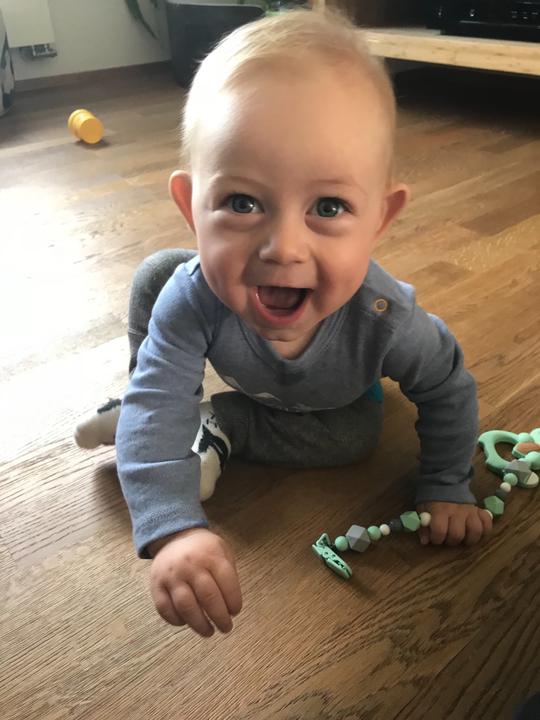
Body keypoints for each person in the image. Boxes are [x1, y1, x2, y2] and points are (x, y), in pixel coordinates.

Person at [75, 8, 492, 638]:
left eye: (329, 206)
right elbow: (161, 407)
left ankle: (221, 424)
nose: (283, 248)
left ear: (379, 220)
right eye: (242, 202)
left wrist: (446, 485)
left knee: (356, 437)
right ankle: (147, 397)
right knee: (159, 277)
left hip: (328, 404)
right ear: (192, 206)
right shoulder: (195, 297)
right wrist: (173, 528)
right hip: (185, 360)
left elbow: (449, 388)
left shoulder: (387, 320)